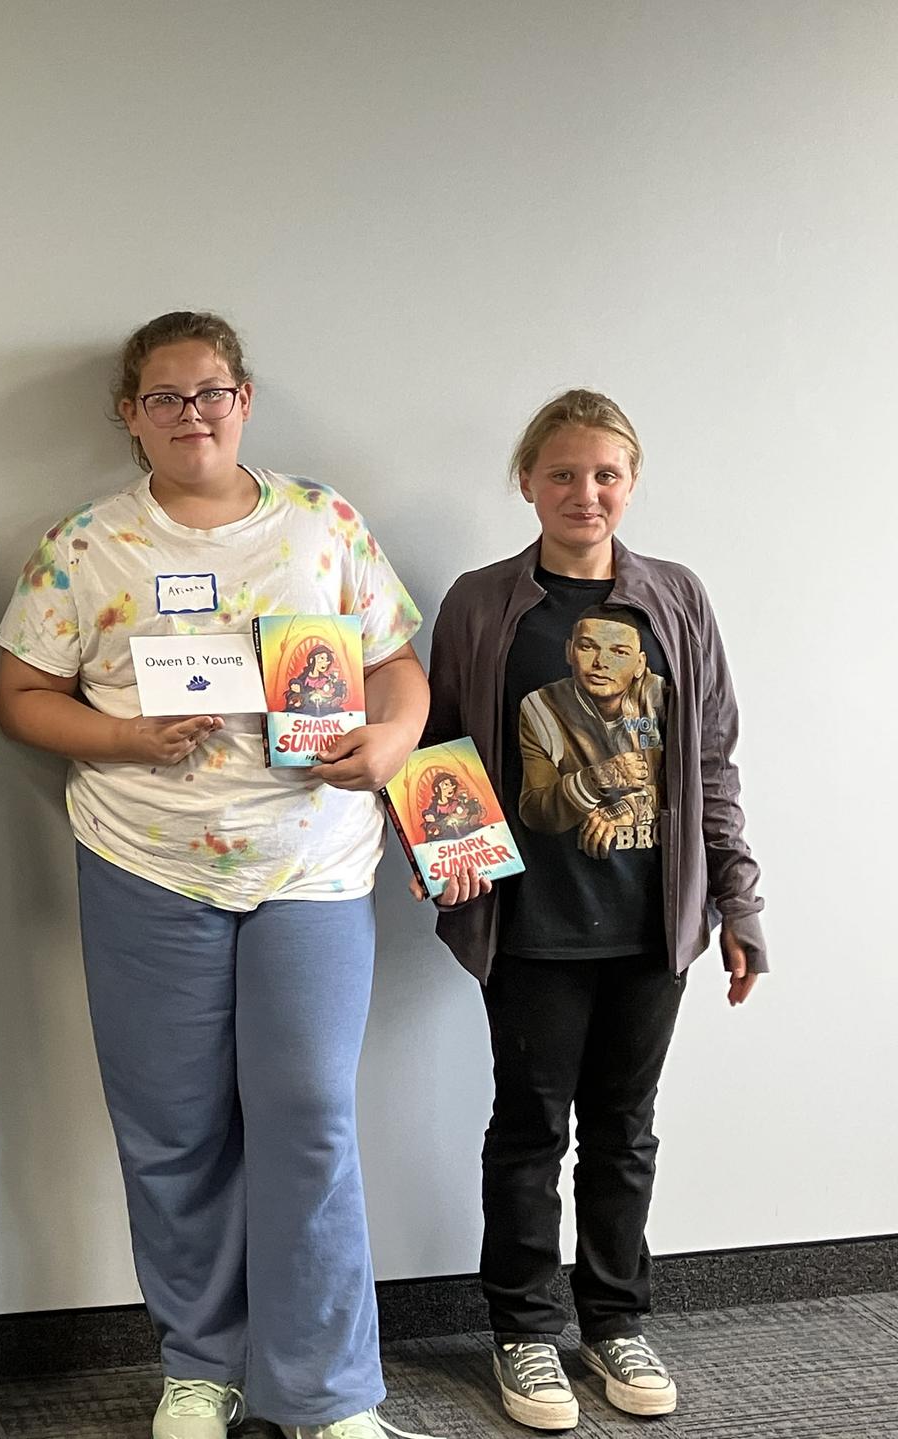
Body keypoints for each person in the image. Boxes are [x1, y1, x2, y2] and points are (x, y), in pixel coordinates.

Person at [0, 311, 435, 1439]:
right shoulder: (86, 544)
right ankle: (202, 1365)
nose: (191, 415)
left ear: (244, 396)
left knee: (309, 1118)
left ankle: (328, 1392)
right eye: (164, 397)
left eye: (210, 392)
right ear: (128, 413)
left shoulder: (323, 522)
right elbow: (23, 695)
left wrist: (389, 744)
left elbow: (398, 669)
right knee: (173, 1127)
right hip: (145, 867)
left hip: (313, 868)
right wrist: (126, 739)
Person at [420, 390, 766, 1431]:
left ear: (631, 481)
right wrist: (450, 863)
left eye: (606, 472)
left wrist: (740, 901)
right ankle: (522, 1330)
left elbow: (710, 761)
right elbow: (440, 747)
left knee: (626, 1131)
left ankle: (615, 1322)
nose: (585, 491)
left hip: (653, 923)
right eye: (563, 472)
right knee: (529, 1128)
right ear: (527, 481)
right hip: (529, 923)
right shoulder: (483, 603)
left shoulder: (676, 599)